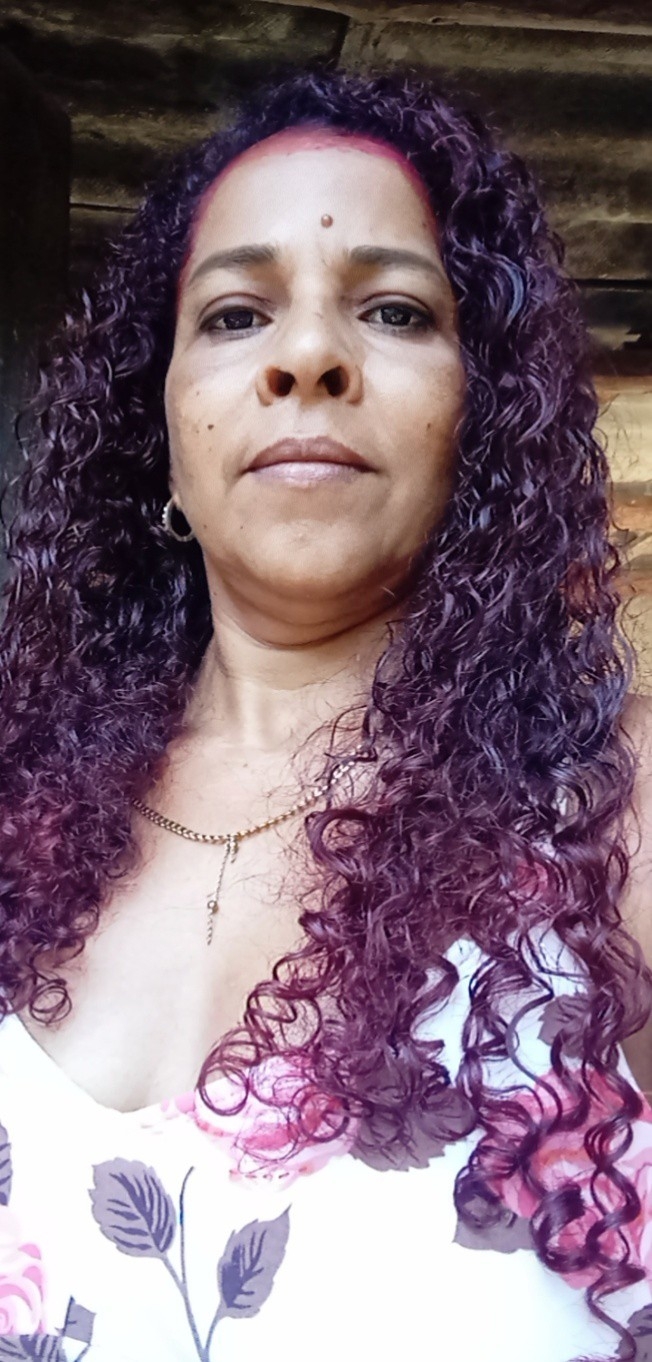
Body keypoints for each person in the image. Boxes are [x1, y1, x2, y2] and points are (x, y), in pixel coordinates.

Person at [0, 66, 651, 1362]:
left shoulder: (610, 813)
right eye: (236, 314)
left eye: (395, 309)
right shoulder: (20, 803)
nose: (306, 356)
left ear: (479, 416)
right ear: (162, 425)